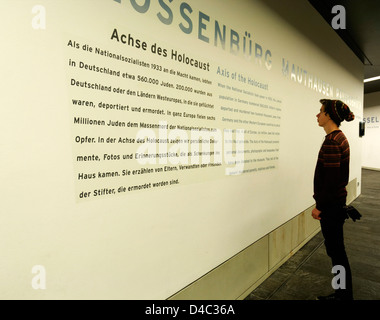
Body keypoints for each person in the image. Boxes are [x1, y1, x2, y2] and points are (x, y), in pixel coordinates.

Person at [312, 99, 355, 300]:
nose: (317, 115)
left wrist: (319, 207)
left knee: (336, 253)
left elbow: (329, 182)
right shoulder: (340, 138)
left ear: (329, 115)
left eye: (320, 111)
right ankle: (342, 294)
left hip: (330, 207)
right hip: (336, 205)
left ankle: (342, 296)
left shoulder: (332, 142)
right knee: (338, 252)